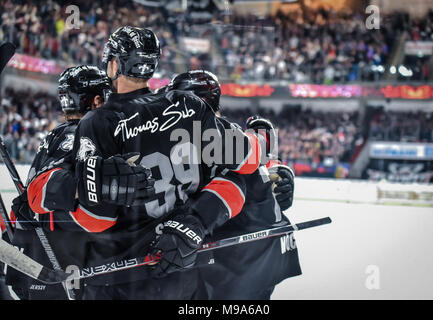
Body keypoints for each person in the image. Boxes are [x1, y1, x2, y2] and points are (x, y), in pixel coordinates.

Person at [71, 26, 265, 299]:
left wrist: (84, 187)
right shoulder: (188, 104)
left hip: (121, 275)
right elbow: (248, 162)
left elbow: (95, 220)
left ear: (114, 63)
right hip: (182, 269)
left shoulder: (99, 122)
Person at [5, 65, 154, 300]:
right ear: (96, 100)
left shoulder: (60, 132)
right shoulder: (77, 134)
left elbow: (26, 203)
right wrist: (100, 182)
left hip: (36, 259)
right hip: (56, 263)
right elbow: (40, 192)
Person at [166, 70, 300, 299]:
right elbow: (264, 163)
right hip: (265, 253)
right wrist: (281, 173)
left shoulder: (206, 139)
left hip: (241, 261)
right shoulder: (227, 134)